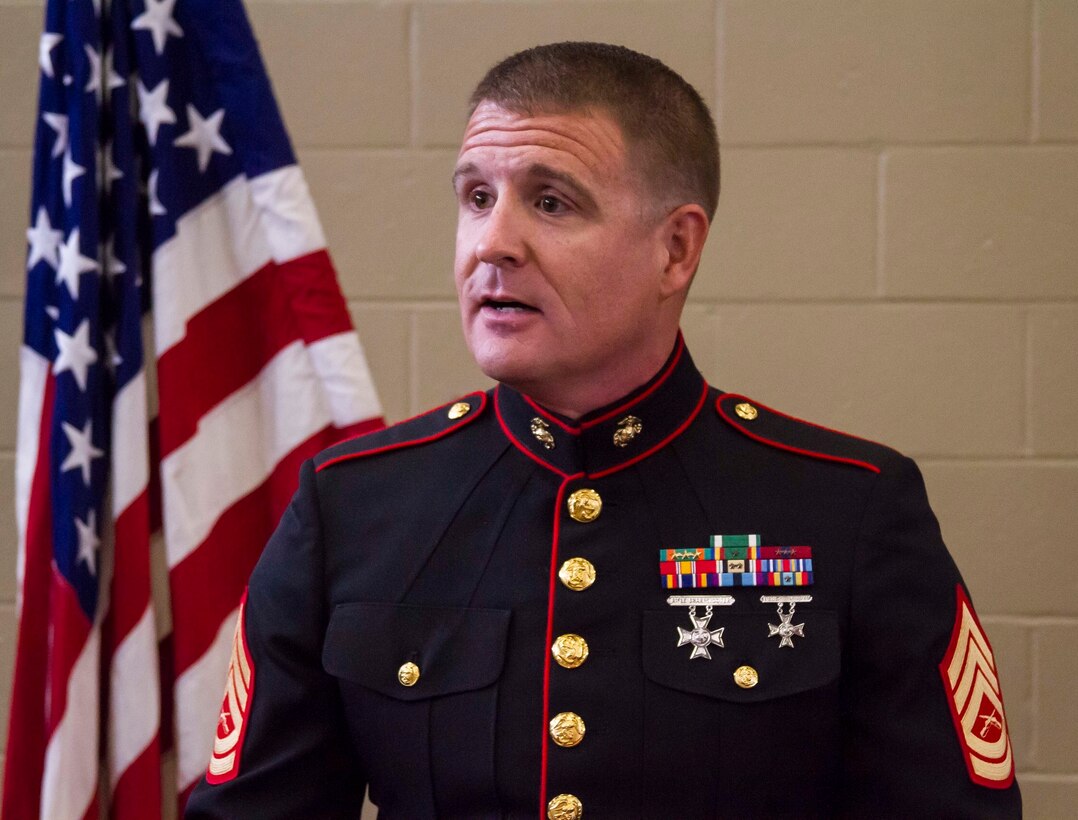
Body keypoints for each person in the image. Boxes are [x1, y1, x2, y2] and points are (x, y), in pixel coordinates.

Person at [186, 42, 1022, 818]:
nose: (492, 243)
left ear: (676, 250)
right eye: (476, 197)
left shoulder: (847, 511)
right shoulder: (354, 506)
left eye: (551, 202)